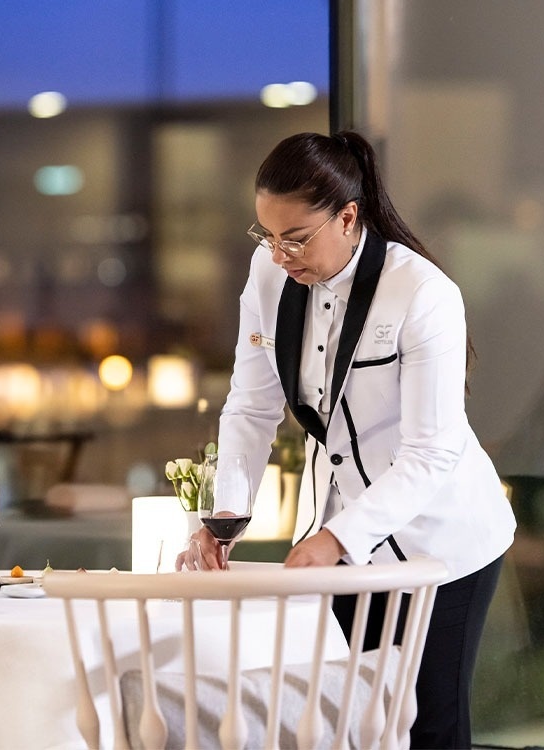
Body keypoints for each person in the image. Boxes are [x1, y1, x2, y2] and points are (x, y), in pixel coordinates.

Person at [181, 130, 517, 749]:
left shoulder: (422, 293)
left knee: (428, 725)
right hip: (345, 543)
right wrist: (225, 512)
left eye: (297, 238)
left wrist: (335, 539)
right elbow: (252, 406)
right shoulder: (267, 274)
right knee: (363, 722)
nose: (280, 254)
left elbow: (432, 451)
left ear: (348, 216)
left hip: (441, 539)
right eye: (268, 235)